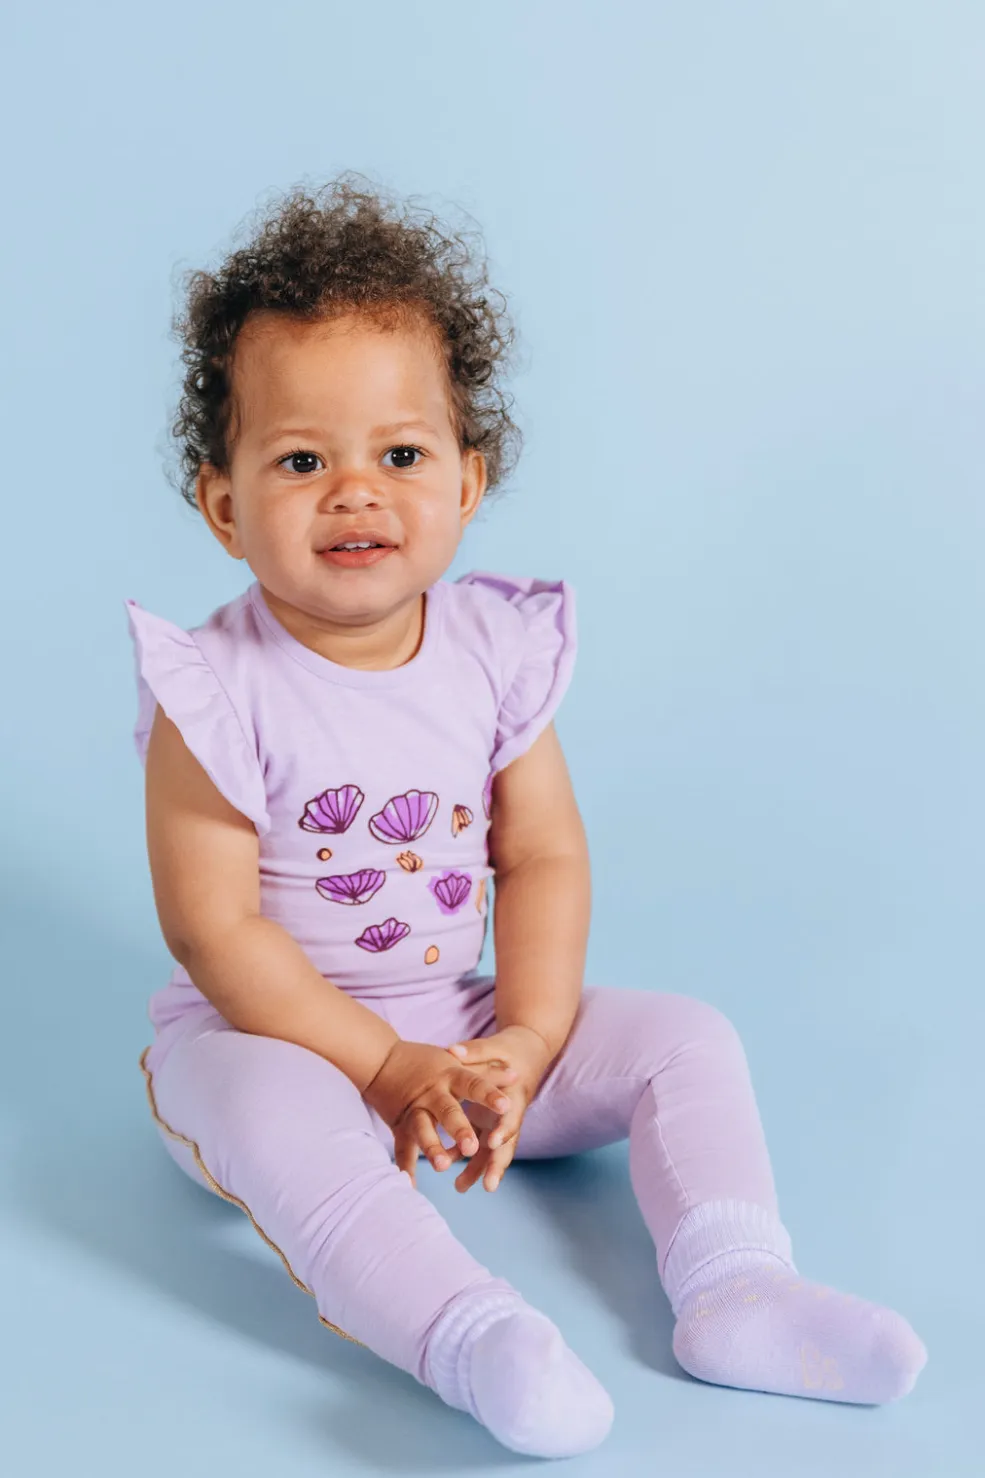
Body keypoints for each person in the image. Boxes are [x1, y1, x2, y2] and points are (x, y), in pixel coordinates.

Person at [127, 174, 926, 1459]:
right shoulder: (213, 689)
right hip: (270, 1036)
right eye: (301, 459)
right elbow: (214, 931)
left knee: (685, 1037)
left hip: (457, 1028)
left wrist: (522, 1037)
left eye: (400, 454)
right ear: (224, 504)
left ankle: (735, 1288)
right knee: (272, 1109)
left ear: (468, 478)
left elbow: (542, 852)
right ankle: (471, 1334)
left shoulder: (493, 651)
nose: (355, 491)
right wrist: (382, 1067)